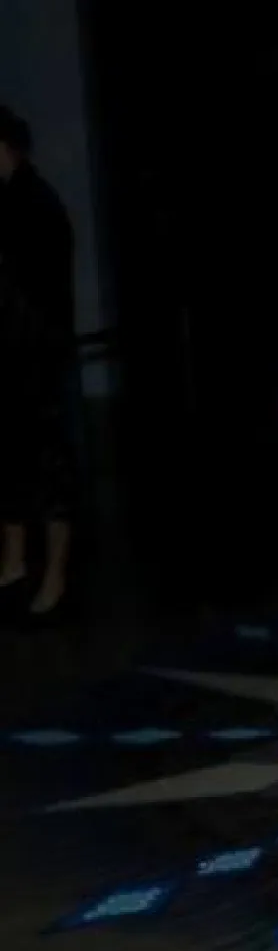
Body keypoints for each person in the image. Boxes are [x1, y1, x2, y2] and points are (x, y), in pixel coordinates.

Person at [0, 106, 78, 622]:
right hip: (19, 362)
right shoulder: (16, 202)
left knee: (49, 475)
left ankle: (52, 577)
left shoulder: (35, 206)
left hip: (36, 363)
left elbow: (35, 296)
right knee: (14, 470)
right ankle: (15, 569)